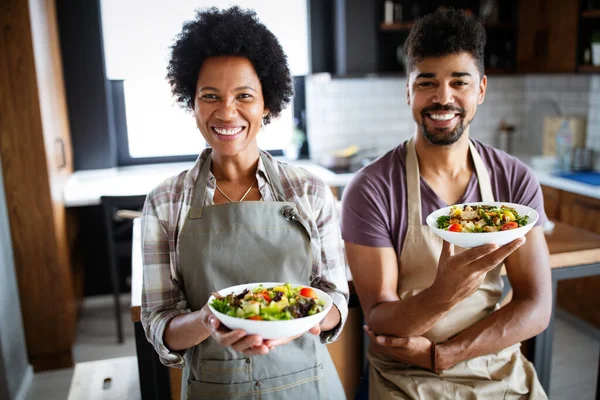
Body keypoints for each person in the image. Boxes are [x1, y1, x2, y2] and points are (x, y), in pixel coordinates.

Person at [342, 9, 551, 399]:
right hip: (406, 374)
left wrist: (445, 354)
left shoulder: (514, 180)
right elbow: (381, 317)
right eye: (427, 83)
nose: (443, 98)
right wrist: (443, 294)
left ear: (482, 90)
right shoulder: (371, 189)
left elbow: (536, 304)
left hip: (494, 365)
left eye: (460, 82)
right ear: (408, 91)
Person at [141, 7, 348, 399]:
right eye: (210, 97)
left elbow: (335, 296)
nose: (226, 112)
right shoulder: (165, 202)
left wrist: (301, 319)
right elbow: (159, 324)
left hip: (308, 385)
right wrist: (208, 320)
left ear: (266, 103)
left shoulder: (309, 191)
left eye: (244, 96)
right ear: (193, 103)